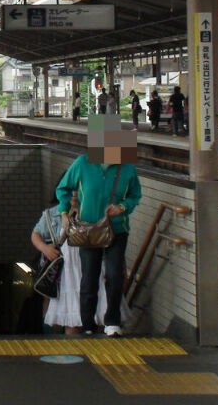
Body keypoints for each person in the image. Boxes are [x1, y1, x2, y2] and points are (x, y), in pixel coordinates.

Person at [55, 115, 142, 337]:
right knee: (89, 277)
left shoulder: (126, 167)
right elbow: (63, 188)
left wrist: (122, 208)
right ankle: (87, 325)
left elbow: (135, 195)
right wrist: (64, 212)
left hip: (117, 229)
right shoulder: (83, 163)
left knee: (114, 275)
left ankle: (112, 321)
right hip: (87, 231)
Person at [30, 201, 132, 334]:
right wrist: (45, 248)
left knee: (100, 317)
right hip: (69, 275)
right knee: (72, 323)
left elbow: (111, 239)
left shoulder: (97, 210)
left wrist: (120, 266)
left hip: (96, 269)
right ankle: (75, 352)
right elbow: (35, 234)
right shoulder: (54, 214)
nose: (75, 196)